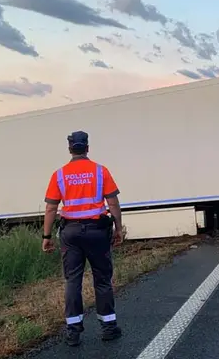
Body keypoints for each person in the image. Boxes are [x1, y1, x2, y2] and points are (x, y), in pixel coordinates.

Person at [41, 130, 125, 346]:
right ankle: (108, 328)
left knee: (73, 280)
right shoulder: (100, 171)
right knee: (102, 279)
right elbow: (113, 204)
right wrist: (118, 228)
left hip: (70, 233)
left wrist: (47, 236)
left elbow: (51, 208)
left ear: (70, 149)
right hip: (97, 231)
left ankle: (73, 331)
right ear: (87, 147)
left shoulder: (59, 174)